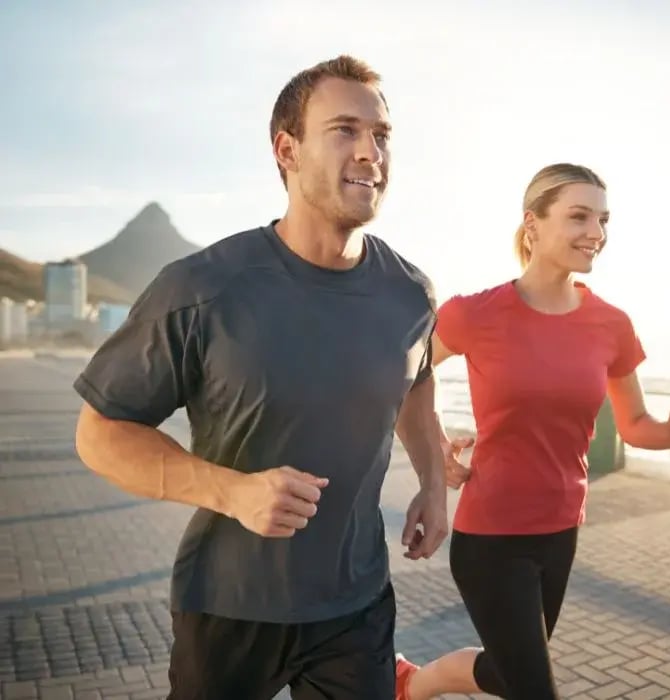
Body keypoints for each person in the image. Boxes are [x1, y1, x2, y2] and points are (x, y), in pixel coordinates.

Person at [72, 55, 449, 700]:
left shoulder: (411, 293)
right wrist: (233, 492)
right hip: (229, 606)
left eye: (382, 135)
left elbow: (416, 384)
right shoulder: (202, 289)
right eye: (344, 131)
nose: (371, 152)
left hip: (358, 604)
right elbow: (101, 435)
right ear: (287, 149)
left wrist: (435, 484)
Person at [393, 163, 670, 700]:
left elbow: (636, 426)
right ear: (533, 224)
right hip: (491, 537)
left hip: (561, 531)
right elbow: (407, 375)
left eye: (603, 219)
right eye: (579, 216)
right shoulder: (474, 314)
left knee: (508, 672)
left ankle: (410, 683)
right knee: (534, 691)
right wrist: (436, 446)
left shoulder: (612, 325)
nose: (597, 232)